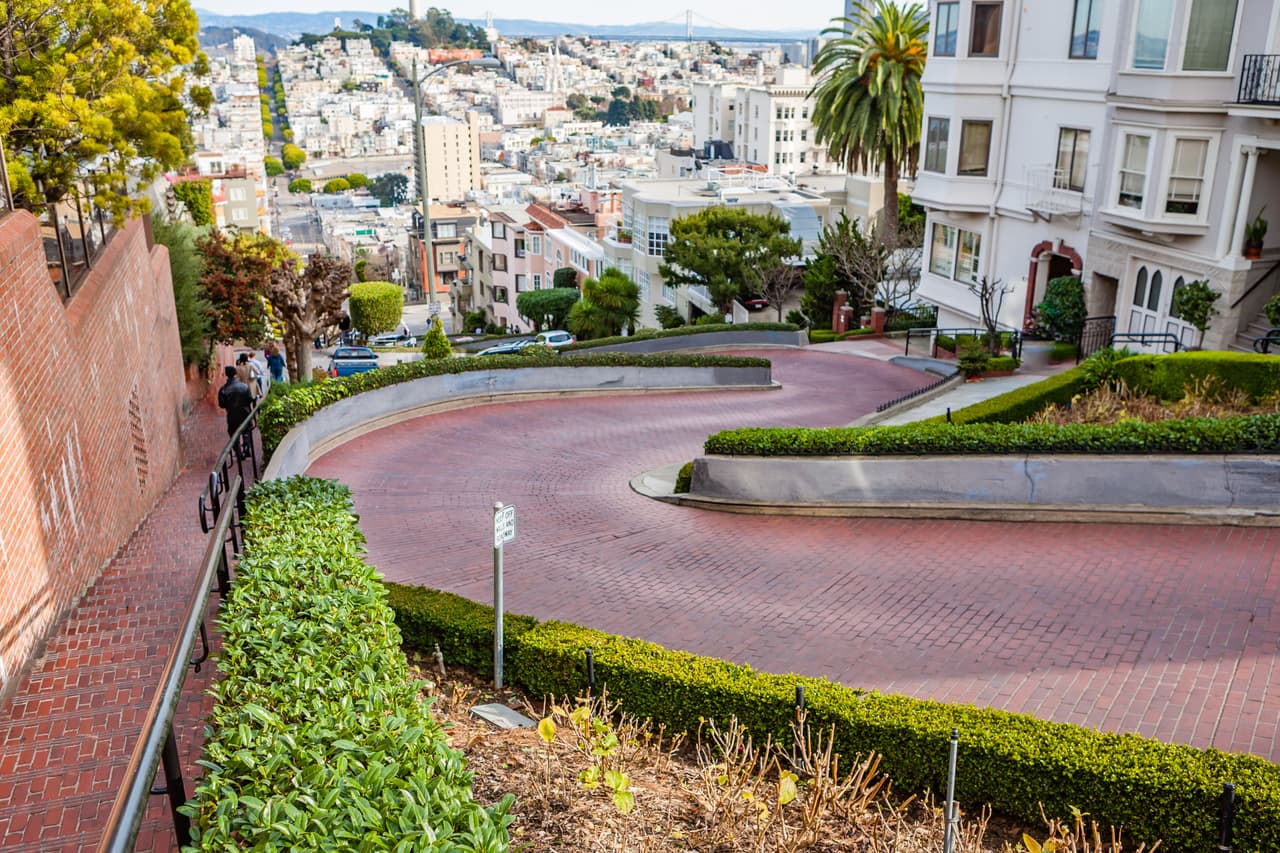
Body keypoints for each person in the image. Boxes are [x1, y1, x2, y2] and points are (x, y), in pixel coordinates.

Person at [217, 365, 254, 440]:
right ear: (235, 373)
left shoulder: (223, 389)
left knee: (232, 434)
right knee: (247, 430)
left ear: (226, 374)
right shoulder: (244, 386)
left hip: (232, 417)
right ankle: (247, 442)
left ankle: (237, 450)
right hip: (245, 414)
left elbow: (222, 405)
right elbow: (250, 399)